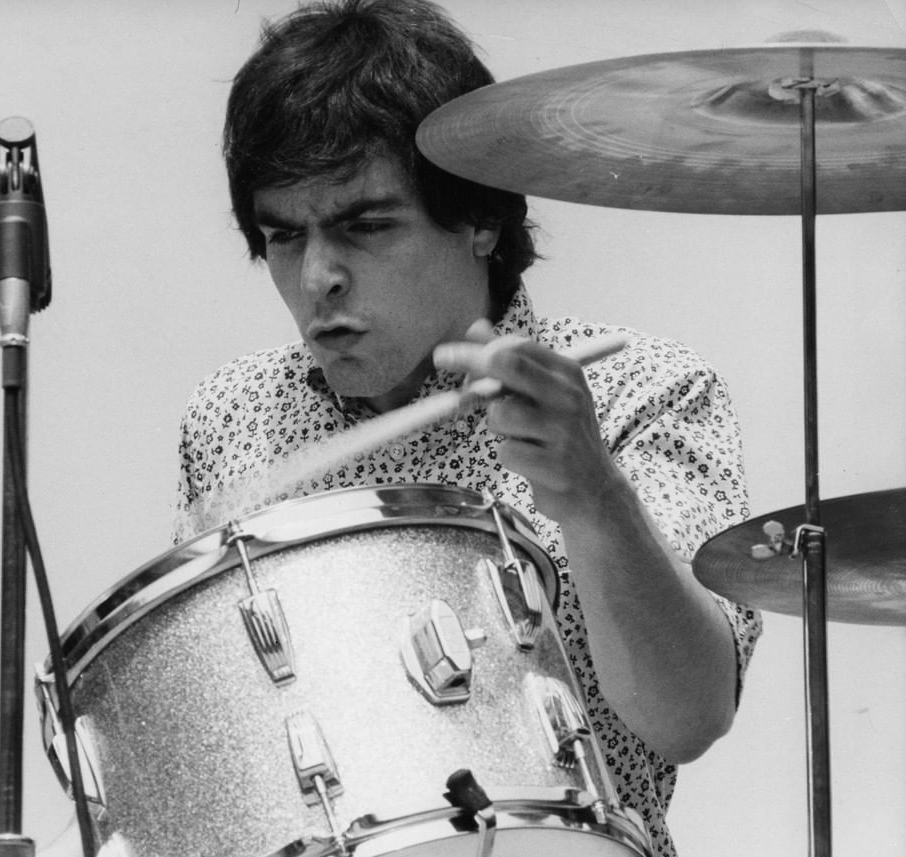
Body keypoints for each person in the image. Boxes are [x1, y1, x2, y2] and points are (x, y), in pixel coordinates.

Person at [173, 1, 762, 855]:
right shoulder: (229, 418)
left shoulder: (643, 388)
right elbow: (220, 753)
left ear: (480, 219)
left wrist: (593, 492)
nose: (318, 276)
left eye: (366, 226)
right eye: (284, 236)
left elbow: (690, 717)